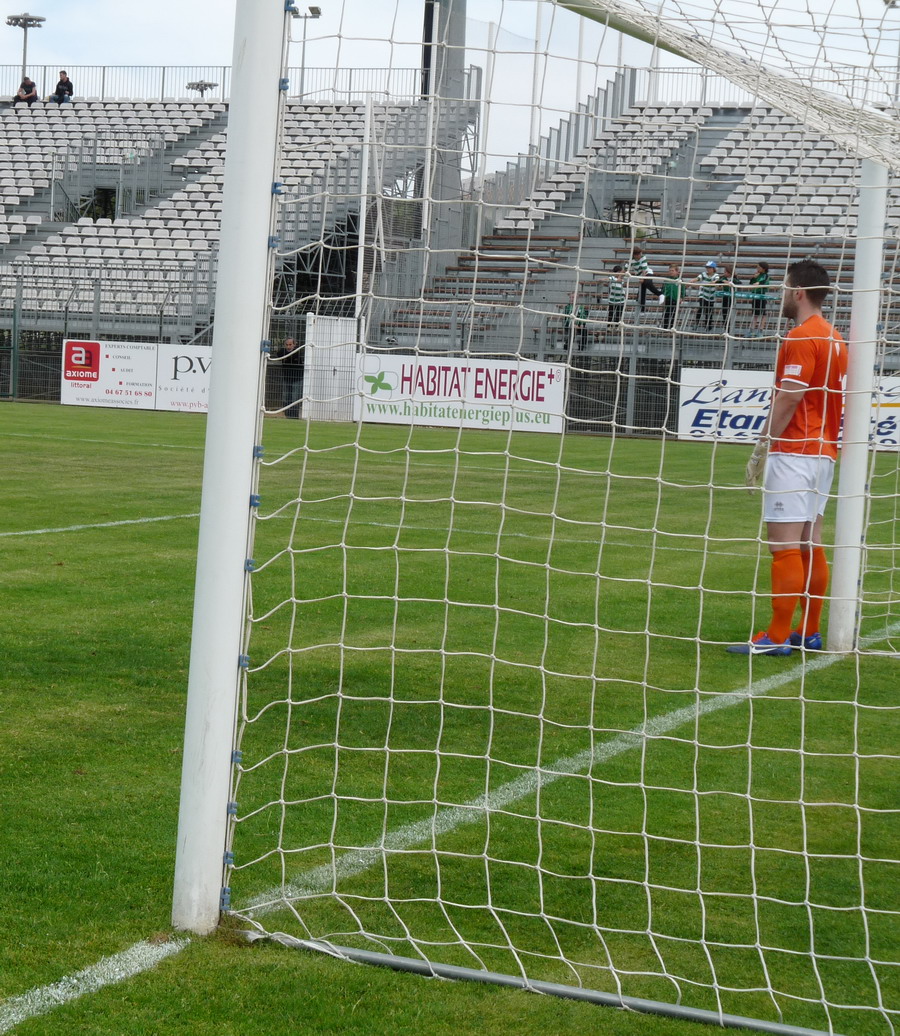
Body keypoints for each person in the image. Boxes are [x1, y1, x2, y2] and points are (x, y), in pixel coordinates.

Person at [727, 259, 848, 656]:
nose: (780, 293)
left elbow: (791, 396)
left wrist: (763, 446)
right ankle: (808, 630)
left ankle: (777, 637)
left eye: (783, 286)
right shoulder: (835, 337)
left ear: (798, 292)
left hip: (796, 450)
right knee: (811, 541)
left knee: (783, 546)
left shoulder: (802, 335)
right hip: (824, 453)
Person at [277, 338, 304, 418]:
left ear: (294, 345)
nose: (288, 347)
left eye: (290, 345)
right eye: (287, 345)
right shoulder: (283, 351)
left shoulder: (298, 352)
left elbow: (293, 357)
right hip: (287, 378)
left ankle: (294, 416)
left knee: (294, 398)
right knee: (286, 396)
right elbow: (279, 354)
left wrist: (287, 358)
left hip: (297, 379)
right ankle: (287, 415)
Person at [630, 246, 663, 310]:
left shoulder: (643, 258)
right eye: (638, 254)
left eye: (640, 253)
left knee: (648, 283)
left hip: (647, 273)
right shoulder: (631, 261)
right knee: (642, 290)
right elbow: (625, 268)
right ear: (635, 255)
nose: (640, 255)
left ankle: (660, 294)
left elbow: (644, 269)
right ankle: (642, 309)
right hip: (641, 276)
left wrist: (642, 278)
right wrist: (620, 277)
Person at [694, 260, 719, 331]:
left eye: (709, 268)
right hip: (703, 294)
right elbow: (698, 278)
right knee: (701, 307)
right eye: (707, 267)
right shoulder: (703, 274)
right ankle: (696, 323)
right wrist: (693, 281)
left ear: (713, 269)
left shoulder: (716, 275)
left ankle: (708, 325)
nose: (707, 269)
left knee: (709, 311)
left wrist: (714, 282)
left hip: (711, 296)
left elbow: (717, 280)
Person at [749, 261, 771, 336]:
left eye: (759, 267)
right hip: (755, 296)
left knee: (763, 314)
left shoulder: (765, 275)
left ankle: (761, 330)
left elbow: (764, 281)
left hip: (761, 296)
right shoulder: (757, 275)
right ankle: (752, 330)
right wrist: (753, 278)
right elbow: (751, 283)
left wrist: (758, 283)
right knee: (755, 314)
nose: (757, 268)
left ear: (763, 268)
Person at [661, 263, 683, 330]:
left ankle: (672, 327)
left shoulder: (679, 280)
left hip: (675, 299)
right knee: (666, 314)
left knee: (674, 314)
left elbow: (683, 290)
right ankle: (665, 327)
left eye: (672, 271)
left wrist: (681, 297)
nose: (671, 272)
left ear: (677, 272)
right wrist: (662, 298)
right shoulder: (666, 280)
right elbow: (663, 289)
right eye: (670, 270)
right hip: (667, 299)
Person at [720, 263, 740, 330]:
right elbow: (718, 281)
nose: (724, 273)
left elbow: (739, 283)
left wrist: (729, 282)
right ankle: (725, 327)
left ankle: (729, 328)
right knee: (724, 312)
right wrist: (723, 280)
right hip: (725, 297)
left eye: (725, 272)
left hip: (731, 297)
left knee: (730, 312)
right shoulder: (723, 278)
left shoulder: (734, 279)